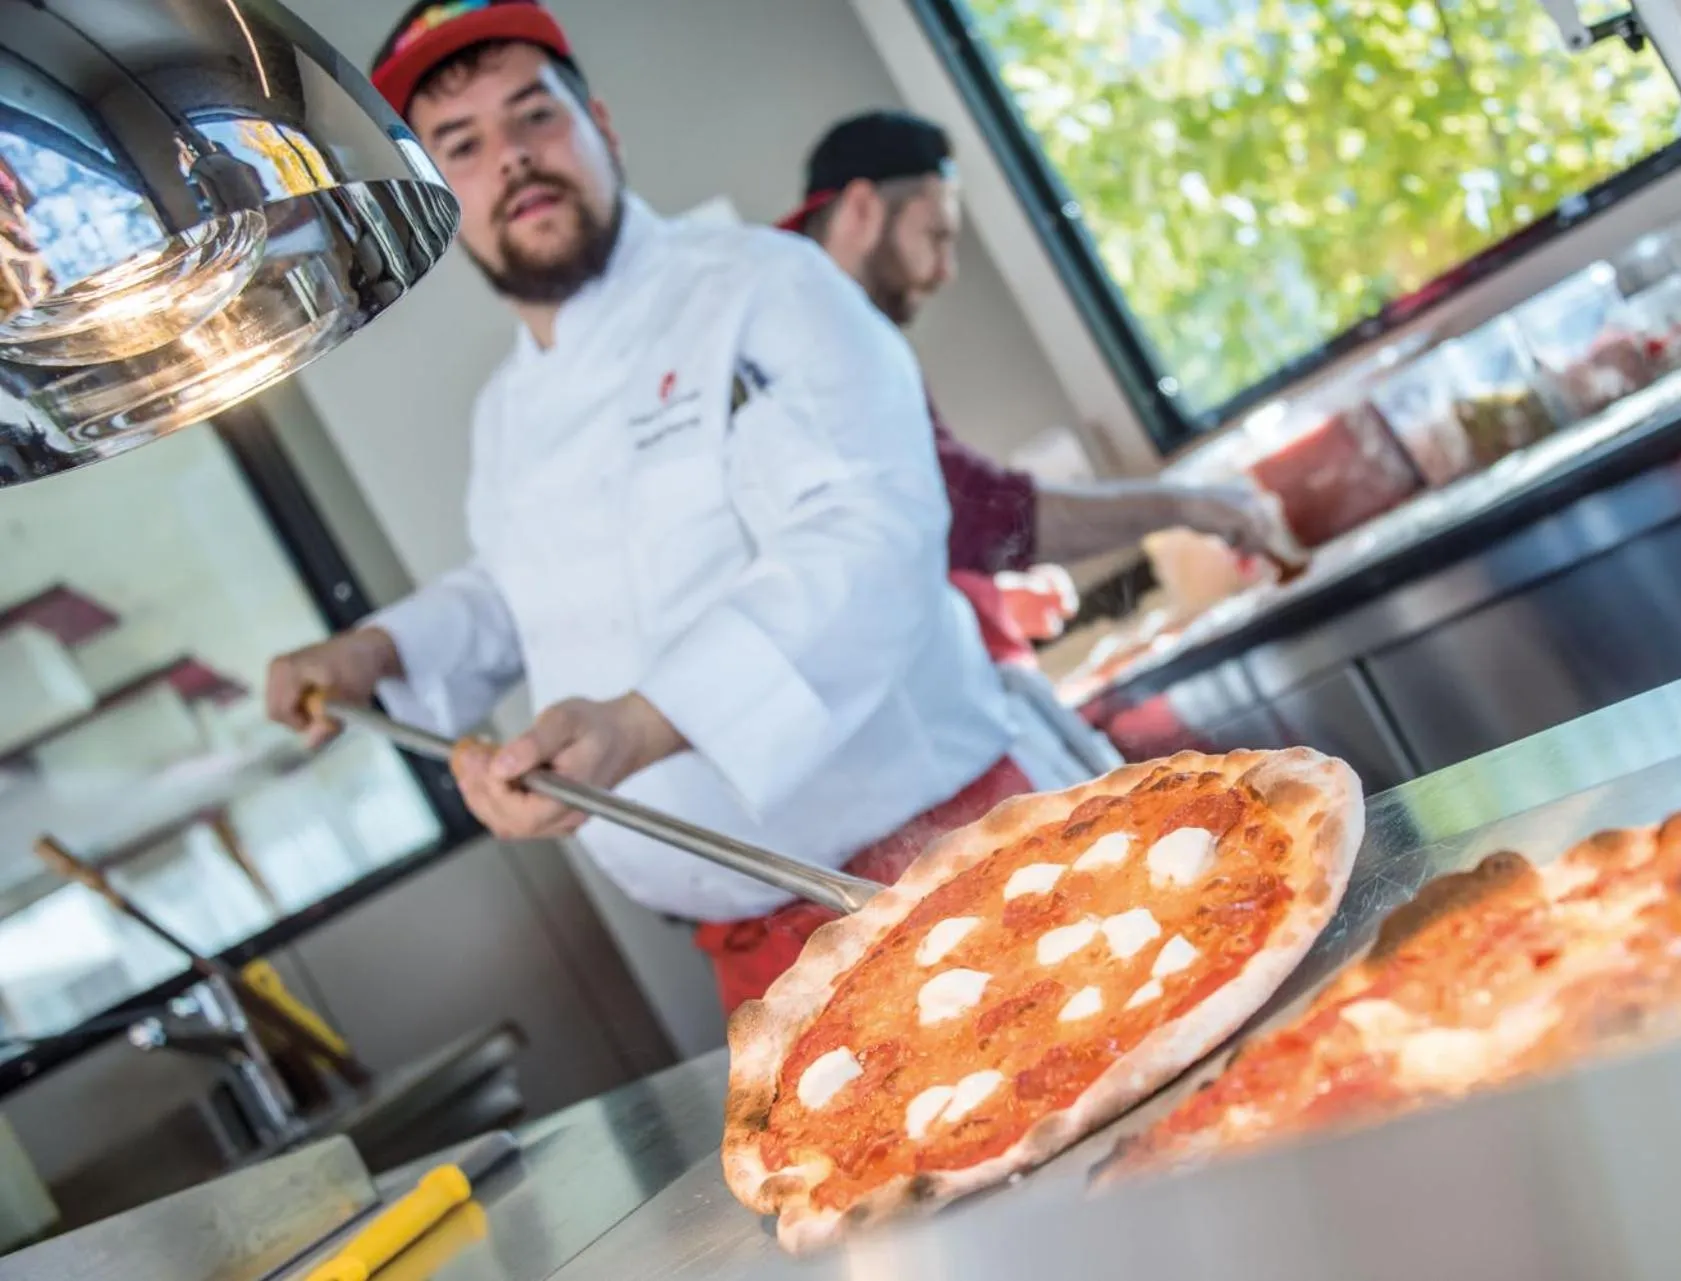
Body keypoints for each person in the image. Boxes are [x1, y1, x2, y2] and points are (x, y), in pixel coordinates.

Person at [263, 0, 1068, 1014]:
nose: (510, 159)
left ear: (601, 124)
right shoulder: (507, 413)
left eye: (534, 118)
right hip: (756, 957)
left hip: (944, 867)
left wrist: (644, 727)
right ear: (433, 197)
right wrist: (376, 653)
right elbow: (525, 592)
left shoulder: (769, 286)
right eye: (460, 146)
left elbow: (871, 537)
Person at [777, 110, 1304, 584]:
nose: (945, 271)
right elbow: (969, 513)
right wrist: (1186, 505)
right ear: (864, 209)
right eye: (936, 236)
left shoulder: (815, 318)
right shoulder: (804, 333)